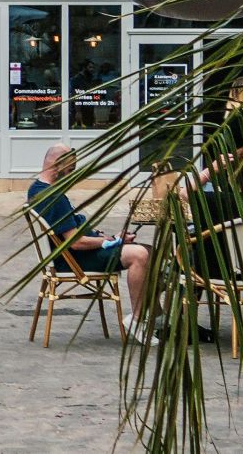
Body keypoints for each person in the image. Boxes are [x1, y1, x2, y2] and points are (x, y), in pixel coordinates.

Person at [29, 144, 151, 341]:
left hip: (72, 254)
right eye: (70, 170)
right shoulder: (53, 197)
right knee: (140, 255)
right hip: (74, 260)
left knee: (150, 251)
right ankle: (137, 320)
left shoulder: (37, 189)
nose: (71, 176)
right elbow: (75, 243)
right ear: (58, 165)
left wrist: (111, 239)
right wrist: (110, 240)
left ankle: (154, 316)